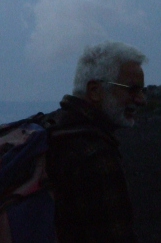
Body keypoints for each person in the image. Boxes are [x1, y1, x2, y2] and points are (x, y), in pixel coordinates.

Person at [43, 40, 147, 243]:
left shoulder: (51, 130)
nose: (141, 100)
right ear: (94, 91)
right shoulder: (95, 154)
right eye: (132, 90)